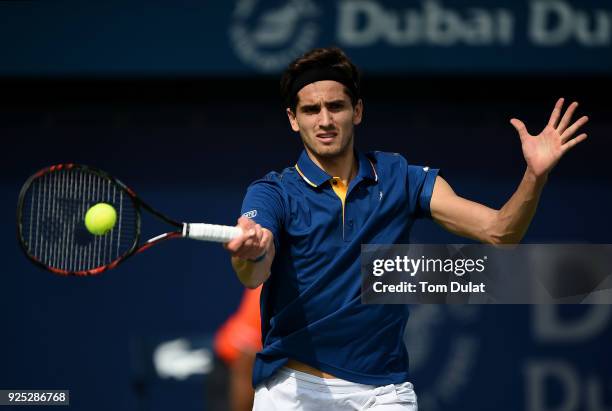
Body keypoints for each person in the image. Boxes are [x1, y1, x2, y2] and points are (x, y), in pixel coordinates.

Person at [223, 47, 589, 410]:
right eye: (311, 110)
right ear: (293, 118)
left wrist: (534, 176)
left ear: (357, 111)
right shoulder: (274, 192)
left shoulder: (401, 178)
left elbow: (500, 232)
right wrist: (251, 251)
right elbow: (254, 271)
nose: (324, 120)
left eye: (336, 107)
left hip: (383, 394)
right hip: (295, 389)